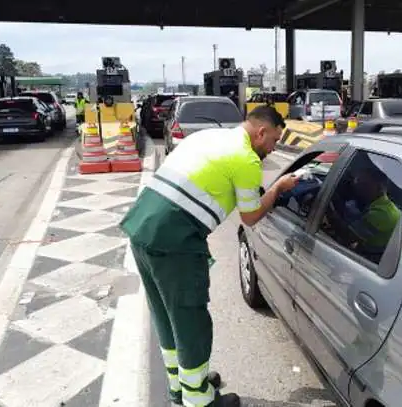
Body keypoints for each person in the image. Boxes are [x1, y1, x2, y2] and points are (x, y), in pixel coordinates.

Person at [119, 105, 299, 407]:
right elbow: (251, 215)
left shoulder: (210, 137)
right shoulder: (245, 159)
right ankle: (199, 400)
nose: (272, 149)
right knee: (191, 321)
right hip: (175, 240)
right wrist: (279, 187)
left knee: (166, 315)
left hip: (142, 228)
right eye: (273, 142)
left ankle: (183, 387)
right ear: (261, 132)